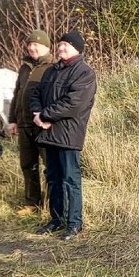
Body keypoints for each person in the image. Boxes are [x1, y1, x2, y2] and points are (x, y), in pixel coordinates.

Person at [30, 30, 97, 241]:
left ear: (77, 48)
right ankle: (56, 219)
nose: (60, 48)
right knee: (53, 178)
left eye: (65, 45)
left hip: (68, 134)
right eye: (59, 45)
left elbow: (73, 104)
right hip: (49, 133)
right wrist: (38, 114)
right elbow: (35, 94)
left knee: (71, 179)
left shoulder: (84, 73)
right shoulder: (52, 71)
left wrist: (46, 115)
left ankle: (74, 223)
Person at [8, 30, 56, 215]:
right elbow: (17, 95)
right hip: (24, 124)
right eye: (29, 44)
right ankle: (32, 203)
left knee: (49, 166)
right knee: (28, 165)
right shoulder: (24, 67)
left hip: (43, 126)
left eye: (36, 44)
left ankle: (51, 204)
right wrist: (13, 120)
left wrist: (48, 118)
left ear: (46, 46)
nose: (32, 47)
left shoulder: (53, 66)